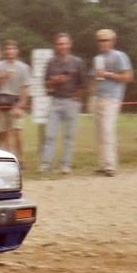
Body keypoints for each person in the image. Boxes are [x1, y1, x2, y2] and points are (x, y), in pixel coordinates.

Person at [39, 33, 87, 174]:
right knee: (50, 135)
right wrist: (55, 81)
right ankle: (46, 164)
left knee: (69, 136)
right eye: (60, 44)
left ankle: (66, 164)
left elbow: (83, 84)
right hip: (55, 101)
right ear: (56, 46)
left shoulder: (78, 62)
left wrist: (76, 97)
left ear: (70, 44)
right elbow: (45, 84)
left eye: (65, 43)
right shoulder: (51, 62)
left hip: (71, 102)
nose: (63, 46)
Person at [90, 29, 133, 176]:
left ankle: (110, 166)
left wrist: (107, 74)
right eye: (100, 40)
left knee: (108, 130)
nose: (103, 43)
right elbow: (94, 79)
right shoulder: (97, 58)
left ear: (112, 41)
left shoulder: (120, 56)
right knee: (99, 132)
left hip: (112, 97)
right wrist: (91, 94)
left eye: (106, 40)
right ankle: (102, 164)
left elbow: (128, 77)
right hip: (98, 98)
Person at [0, 40, 31, 161]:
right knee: (1, 133)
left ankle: (21, 159)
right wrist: (2, 78)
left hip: (15, 102)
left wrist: (20, 106)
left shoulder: (23, 67)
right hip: (0, 101)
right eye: (8, 49)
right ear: (4, 51)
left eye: (13, 49)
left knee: (17, 131)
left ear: (17, 51)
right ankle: (1, 157)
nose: (10, 51)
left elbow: (25, 88)